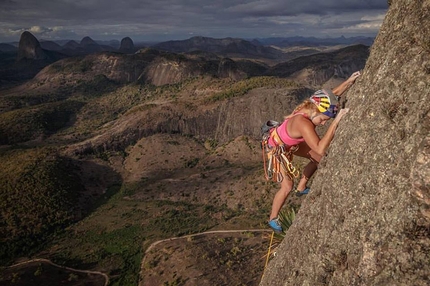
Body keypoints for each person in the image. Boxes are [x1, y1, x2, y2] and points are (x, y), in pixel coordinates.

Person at [264, 71, 361, 232]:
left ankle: (302, 187)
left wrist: (349, 82)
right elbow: (320, 147)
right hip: (277, 148)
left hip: (290, 143)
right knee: (287, 186)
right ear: (316, 112)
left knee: (320, 159)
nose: (322, 124)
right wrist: (335, 122)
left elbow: (331, 95)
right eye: (323, 120)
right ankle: (273, 218)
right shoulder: (303, 123)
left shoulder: (311, 107)